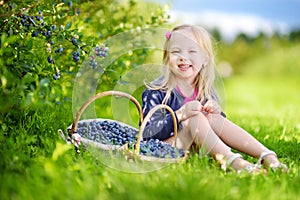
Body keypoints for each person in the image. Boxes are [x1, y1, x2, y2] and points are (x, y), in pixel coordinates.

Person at [141, 24, 288, 173]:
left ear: (205, 59)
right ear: (167, 58)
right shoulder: (156, 91)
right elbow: (147, 133)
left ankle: (267, 156)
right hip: (162, 148)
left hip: (195, 146)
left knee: (211, 116)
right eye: (176, 51)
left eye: (192, 51)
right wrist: (180, 114)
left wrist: (216, 112)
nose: (183, 57)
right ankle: (231, 160)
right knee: (195, 117)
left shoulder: (204, 90)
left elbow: (217, 128)